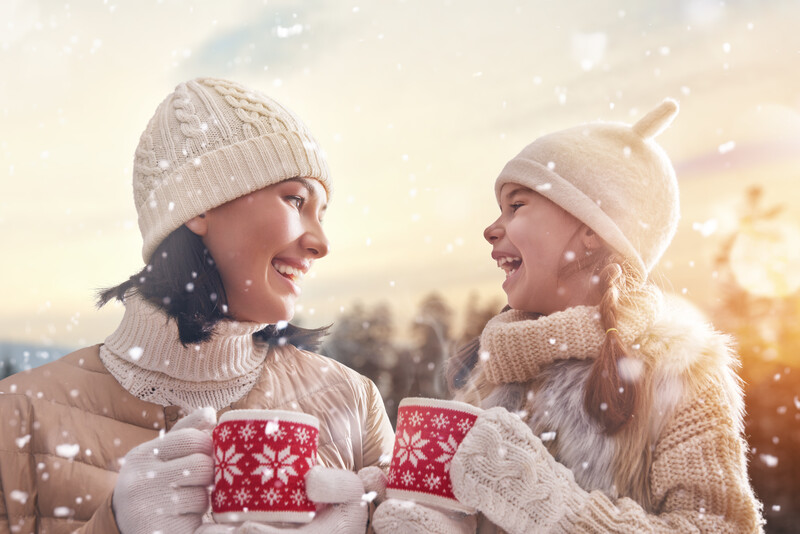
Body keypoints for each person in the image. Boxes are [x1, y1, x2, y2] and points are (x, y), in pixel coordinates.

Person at [0, 77, 394, 534]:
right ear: (199, 207)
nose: (320, 243)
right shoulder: (19, 415)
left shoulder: (351, 401)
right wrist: (116, 526)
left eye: (322, 215)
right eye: (295, 200)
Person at [373, 99, 764, 533]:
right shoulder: (493, 376)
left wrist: (553, 507)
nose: (491, 228)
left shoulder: (677, 374)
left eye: (517, 206)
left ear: (591, 231)